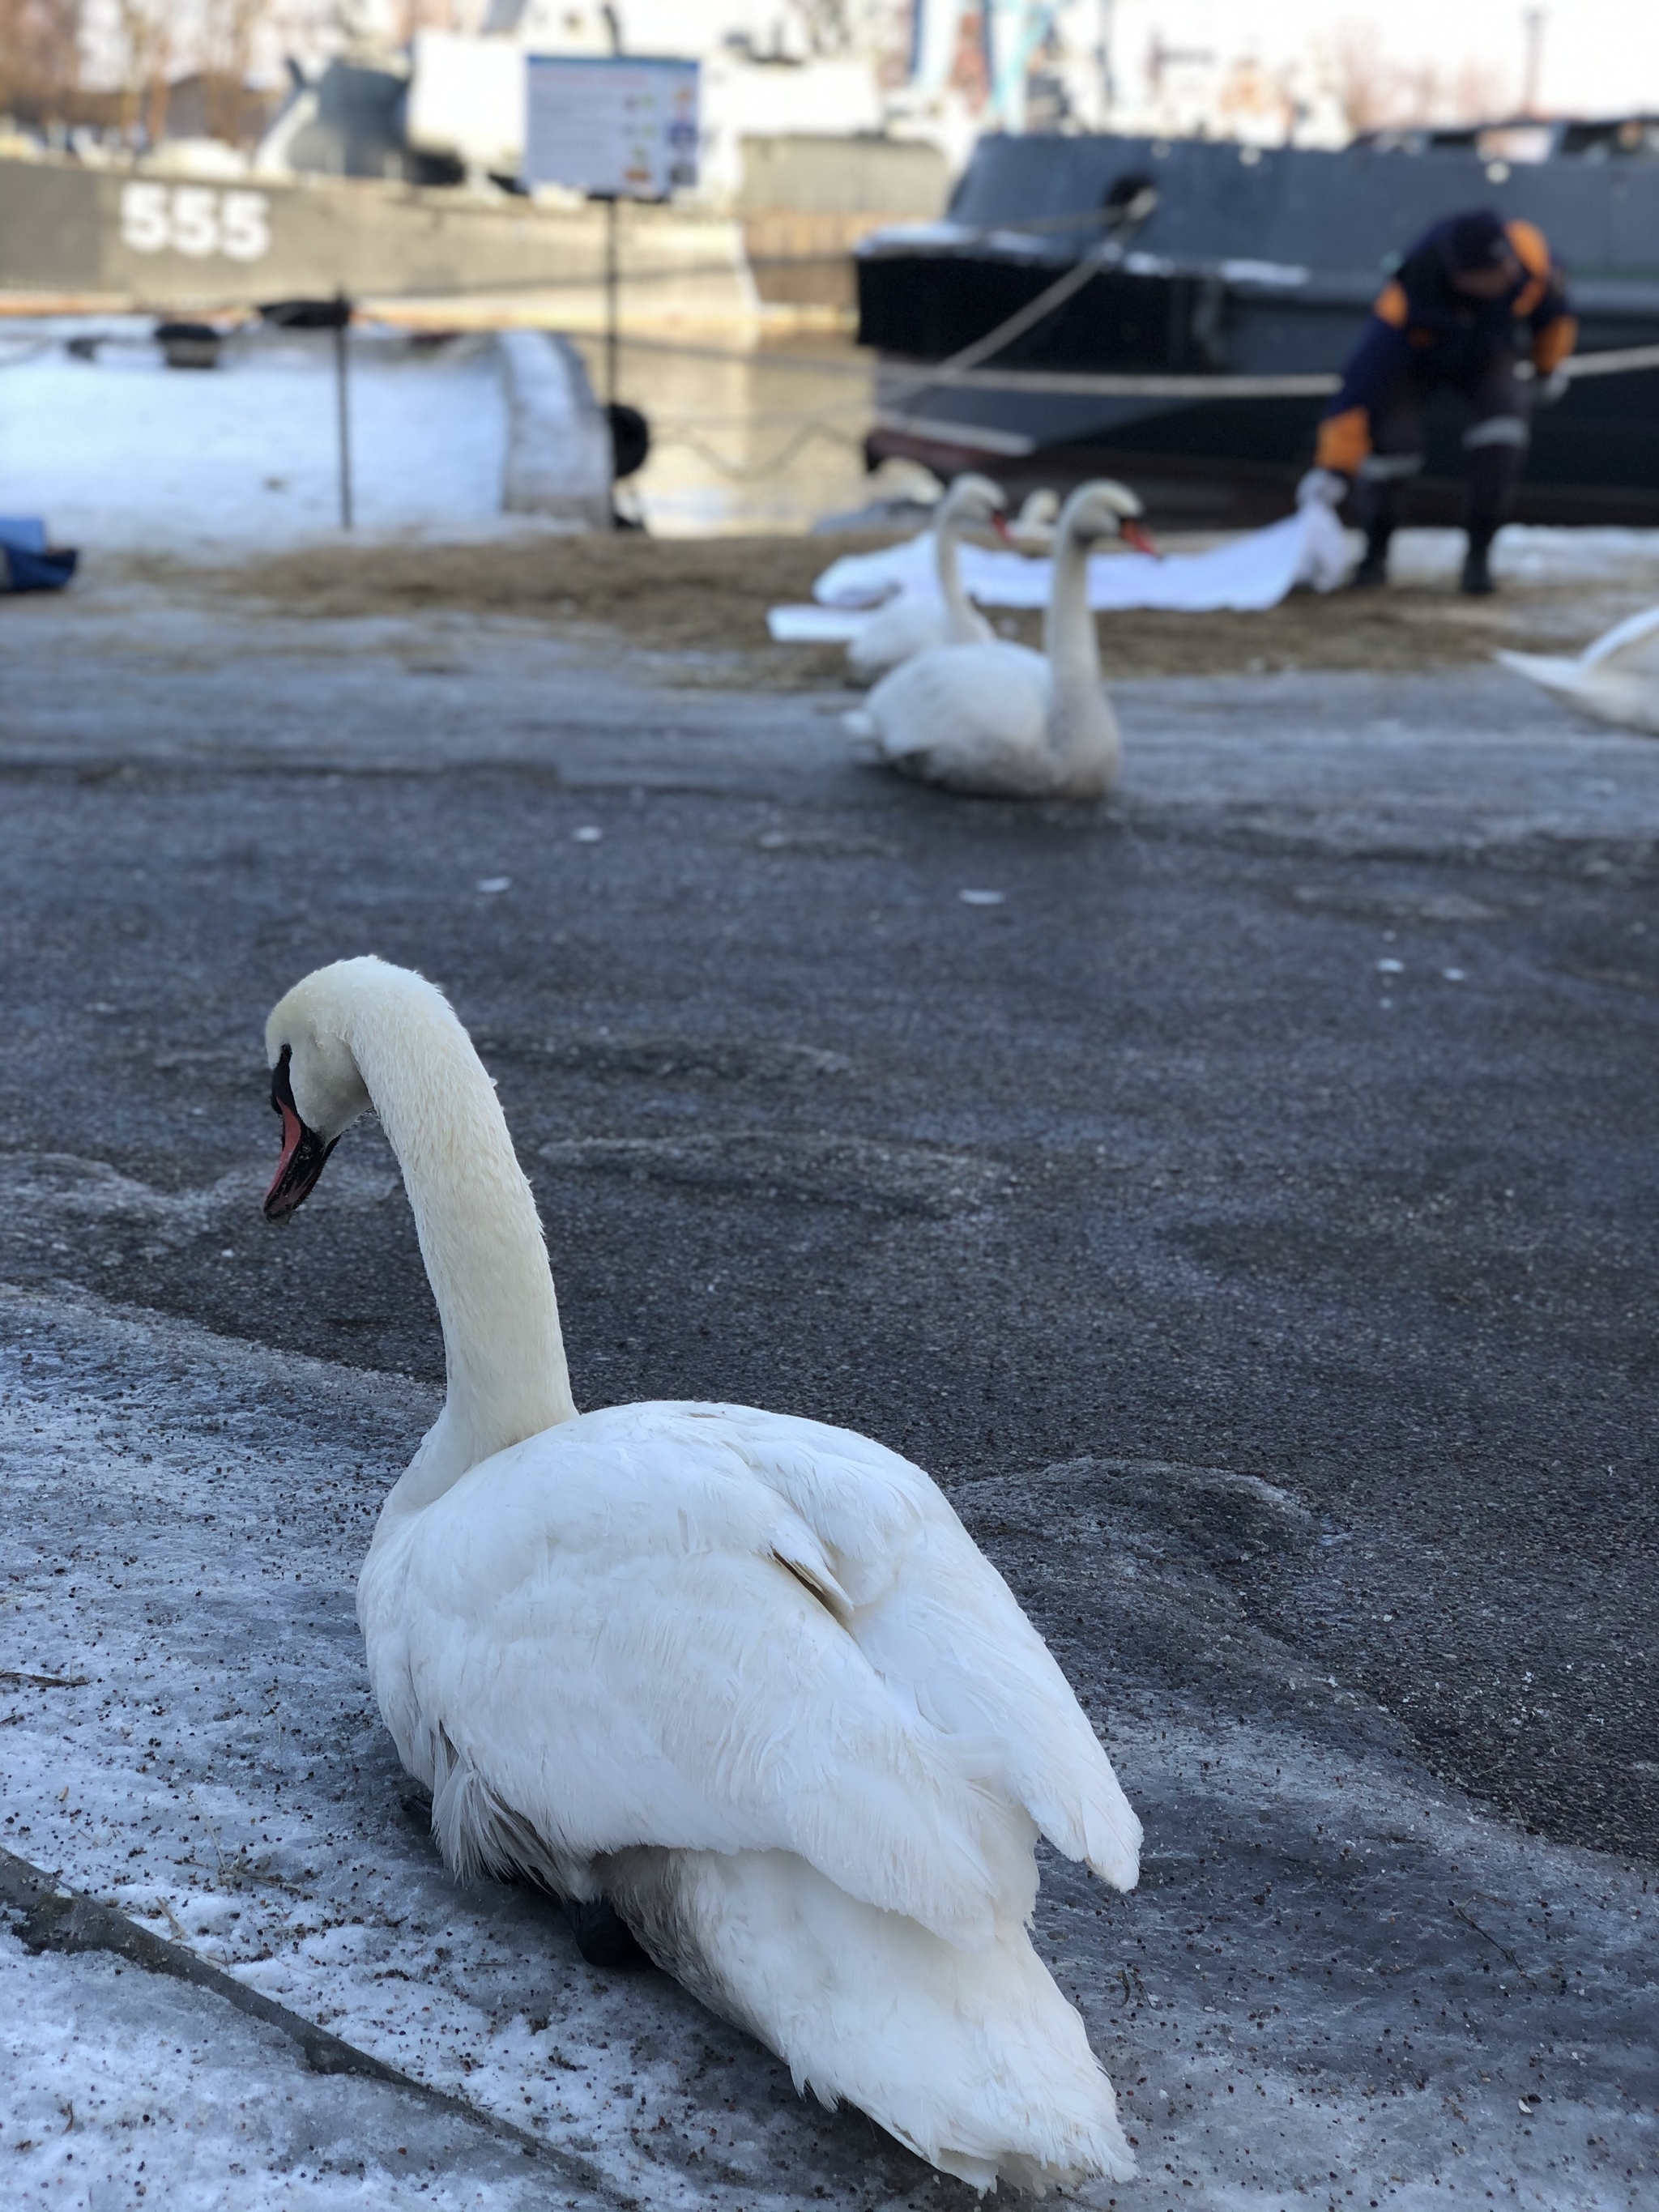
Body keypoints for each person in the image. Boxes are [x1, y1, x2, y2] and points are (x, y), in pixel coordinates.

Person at [1297, 209, 1577, 595]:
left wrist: (1548, 368)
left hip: (1487, 352)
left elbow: (1554, 314)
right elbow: (1360, 387)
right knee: (1392, 445)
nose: (1510, 273)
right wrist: (1333, 468)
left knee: (1505, 427)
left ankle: (1478, 558)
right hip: (1418, 363)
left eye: (1508, 262)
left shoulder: (1529, 263)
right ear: (1464, 279)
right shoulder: (1408, 301)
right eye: (1496, 271)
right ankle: (1375, 555)